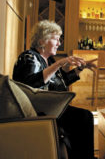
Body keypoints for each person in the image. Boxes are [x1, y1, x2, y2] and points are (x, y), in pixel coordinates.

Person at [13, 20, 97, 159]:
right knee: (84, 117)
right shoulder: (29, 57)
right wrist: (59, 64)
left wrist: (80, 68)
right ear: (42, 40)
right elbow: (30, 84)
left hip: (50, 107)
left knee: (84, 117)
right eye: (56, 39)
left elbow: (62, 81)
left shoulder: (49, 61)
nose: (59, 43)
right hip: (38, 110)